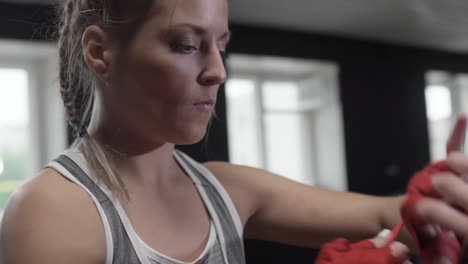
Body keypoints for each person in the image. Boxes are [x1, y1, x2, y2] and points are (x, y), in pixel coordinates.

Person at [1, 0, 468, 263]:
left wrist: (440, 202)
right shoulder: (55, 210)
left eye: (221, 47)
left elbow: (391, 217)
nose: (218, 71)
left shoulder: (227, 190)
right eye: (186, 45)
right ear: (100, 52)